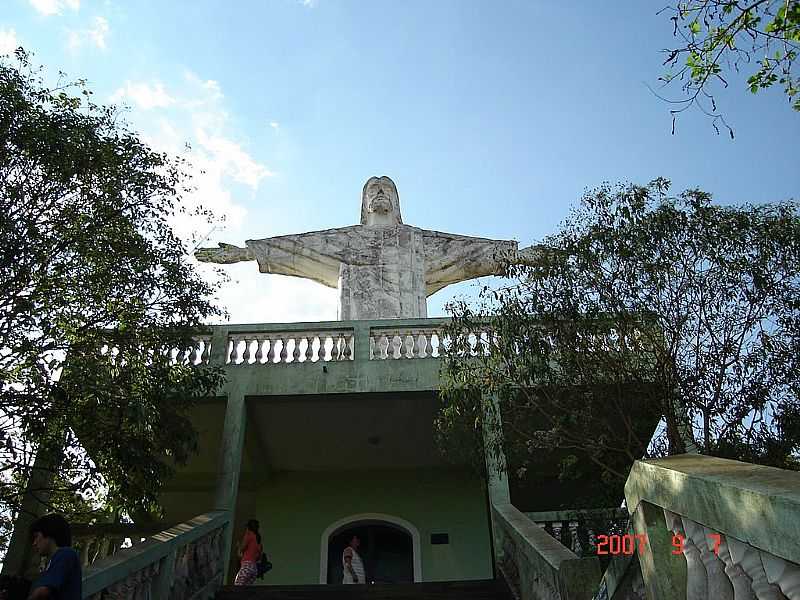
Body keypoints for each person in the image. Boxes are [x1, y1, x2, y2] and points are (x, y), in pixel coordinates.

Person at [24, 514, 81, 600]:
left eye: (36, 536)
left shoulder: (66, 554)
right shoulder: (52, 562)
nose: (34, 543)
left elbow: (42, 592)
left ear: (49, 532)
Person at [233, 519, 262, 586]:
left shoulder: (249, 535)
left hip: (246, 566)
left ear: (248, 527)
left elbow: (242, 547)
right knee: (246, 589)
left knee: (238, 585)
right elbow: (259, 557)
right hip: (254, 568)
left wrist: (238, 546)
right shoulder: (258, 540)